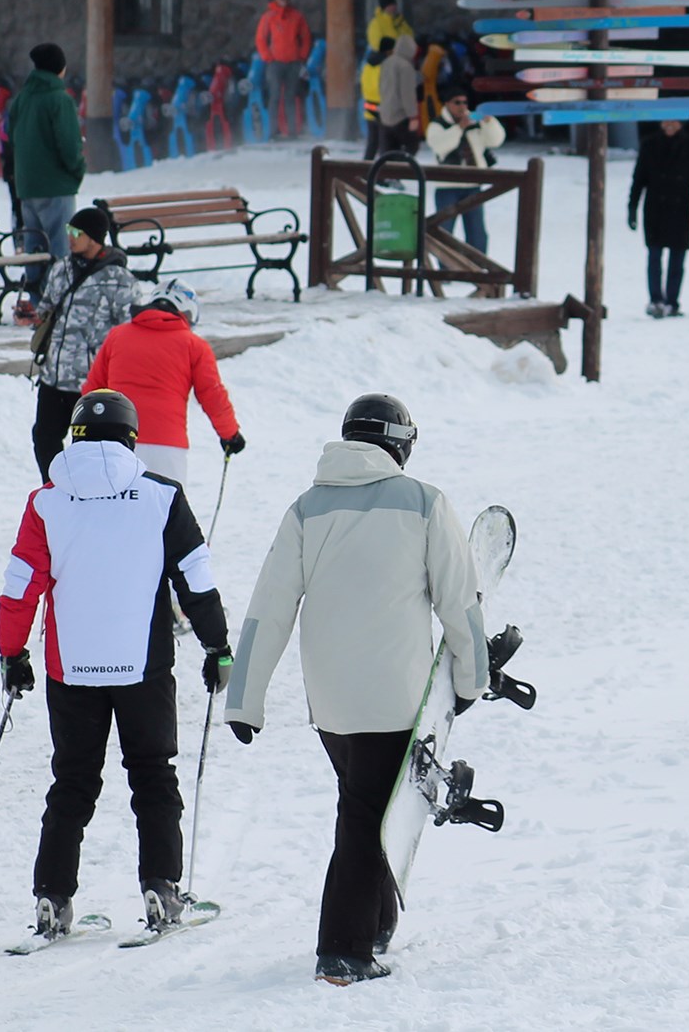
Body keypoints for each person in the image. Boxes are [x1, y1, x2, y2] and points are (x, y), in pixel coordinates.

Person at [224, 394, 490, 985]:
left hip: (333, 704)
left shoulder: (305, 509)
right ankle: (342, 950)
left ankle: (375, 924)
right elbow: (460, 599)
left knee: (372, 803)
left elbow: (268, 608)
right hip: (397, 697)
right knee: (367, 813)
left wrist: (245, 697)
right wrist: (473, 679)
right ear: (399, 442)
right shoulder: (424, 502)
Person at [0, 389, 232, 942]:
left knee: (72, 782)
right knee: (153, 775)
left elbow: (19, 587)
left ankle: (52, 896)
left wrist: (12, 653)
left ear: (73, 436)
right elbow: (195, 578)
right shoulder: (161, 496)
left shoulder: (46, 502)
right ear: (133, 437)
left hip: (71, 667)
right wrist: (216, 645)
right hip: (142, 666)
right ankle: (161, 889)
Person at [84, 277, 243, 487]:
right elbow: (212, 394)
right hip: (166, 447)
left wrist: (87, 434)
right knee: (167, 514)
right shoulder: (194, 345)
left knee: (116, 511)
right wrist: (230, 435)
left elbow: (93, 390)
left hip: (116, 441)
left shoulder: (117, 336)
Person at [31, 207, 137, 483]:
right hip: (54, 375)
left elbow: (128, 330)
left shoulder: (119, 279)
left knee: (88, 447)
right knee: (44, 437)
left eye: (77, 233)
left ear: (94, 238)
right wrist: (30, 316)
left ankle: (87, 491)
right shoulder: (61, 269)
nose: (70, 237)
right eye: (69, 231)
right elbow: (46, 310)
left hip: (91, 383)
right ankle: (54, 487)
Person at [6, 43, 87, 327]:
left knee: (35, 249)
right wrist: (77, 170)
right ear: (59, 68)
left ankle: (38, 304)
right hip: (56, 184)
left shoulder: (22, 99)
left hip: (27, 186)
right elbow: (68, 144)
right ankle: (59, 307)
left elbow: (10, 135)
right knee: (62, 250)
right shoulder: (58, 99)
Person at [628, 118, 689, 318]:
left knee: (677, 259)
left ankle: (672, 301)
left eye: (674, 122)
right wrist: (632, 207)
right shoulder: (649, 145)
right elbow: (639, 179)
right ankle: (656, 299)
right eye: (666, 121)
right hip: (655, 208)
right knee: (654, 256)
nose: (670, 125)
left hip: (681, 208)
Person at [423, 89, 505, 253]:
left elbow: (495, 141)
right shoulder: (437, 125)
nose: (462, 107)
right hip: (447, 187)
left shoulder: (475, 122)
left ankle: (478, 267)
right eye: (457, 102)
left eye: (464, 102)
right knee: (444, 230)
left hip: (473, 184)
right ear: (447, 104)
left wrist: (489, 122)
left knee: (477, 232)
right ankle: (444, 270)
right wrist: (459, 128)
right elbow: (440, 146)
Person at [255, 0, 313, 139]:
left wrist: (302, 56)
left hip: (293, 62)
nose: (284, 1)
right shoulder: (269, 16)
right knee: (274, 97)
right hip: (275, 62)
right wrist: (268, 57)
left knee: (290, 96)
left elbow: (306, 37)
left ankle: (292, 130)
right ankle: (273, 131)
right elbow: (261, 38)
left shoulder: (297, 16)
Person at [362, 0, 410, 158]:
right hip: (383, 108)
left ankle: (365, 172)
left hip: (372, 107)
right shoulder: (376, 24)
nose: (393, 9)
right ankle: (386, 176)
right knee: (386, 143)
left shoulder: (370, 64)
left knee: (374, 142)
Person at [375, 34, 422, 158]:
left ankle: (390, 176)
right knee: (411, 147)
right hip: (401, 117)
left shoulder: (386, 63)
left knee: (388, 153)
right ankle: (400, 171)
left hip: (385, 115)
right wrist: (413, 116)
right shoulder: (406, 66)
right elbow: (407, 94)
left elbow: (381, 87)